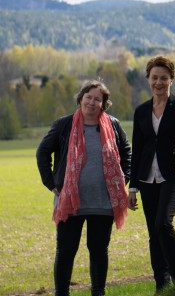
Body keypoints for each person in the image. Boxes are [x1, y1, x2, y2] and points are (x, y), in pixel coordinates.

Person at [36, 80, 131, 296]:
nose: (92, 102)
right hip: (70, 202)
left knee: (98, 251)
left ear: (104, 104)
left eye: (98, 99)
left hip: (103, 202)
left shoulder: (113, 125)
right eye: (88, 97)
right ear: (80, 99)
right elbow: (42, 152)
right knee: (66, 251)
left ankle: (98, 292)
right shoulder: (63, 125)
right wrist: (51, 184)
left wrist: (122, 181)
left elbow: (126, 151)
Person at [128, 56, 175, 292]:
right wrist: (132, 187)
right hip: (146, 178)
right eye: (154, 78)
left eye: (163, 78)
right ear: (148, 80)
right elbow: (137, 148)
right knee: (153, 231)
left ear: (171, 80)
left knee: (163, 223)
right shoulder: (141, 111)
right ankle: (161, 282)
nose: (158, 82)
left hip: (173, 176)